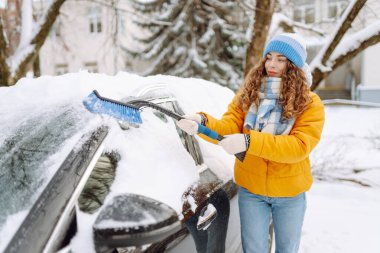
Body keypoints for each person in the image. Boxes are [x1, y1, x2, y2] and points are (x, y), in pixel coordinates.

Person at [176, 33, 325, 253]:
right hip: (252, 190)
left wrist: (248, 141)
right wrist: (202, 121)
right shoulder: (250, 94)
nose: (272, 64)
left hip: (290, 193)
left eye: (281, 59)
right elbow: (229, 125)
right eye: (269, 57)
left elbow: (298, 146)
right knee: (253, 249)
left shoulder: (310, 103)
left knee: (287, 249)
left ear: (293, 65)